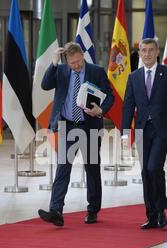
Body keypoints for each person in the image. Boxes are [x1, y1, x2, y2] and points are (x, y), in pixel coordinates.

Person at [38, 42, 114, 227]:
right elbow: (45, 85)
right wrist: (54, 62)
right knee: (63, 167)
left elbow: (110, 95)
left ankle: (93, 210)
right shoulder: (62, 70)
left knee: (92, 168)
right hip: (67, 125)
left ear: (82, 55)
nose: (76, 66)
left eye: (79, 61)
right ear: (67, 61)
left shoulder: (96, 71)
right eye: (72, 63)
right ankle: (56, 210)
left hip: (90, 126)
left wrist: (100, 109)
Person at [121, 38, 167, 229]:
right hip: (143, 129)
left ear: (157, 51)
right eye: (144, 51)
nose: (147, 54)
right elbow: (128, 105)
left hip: (162, 129)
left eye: (151, 50)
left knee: (153, 168)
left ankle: (160, 208)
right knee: (146, 172)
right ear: (140, 53)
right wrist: (125, 132)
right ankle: (152, 215)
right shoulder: (133, 77)